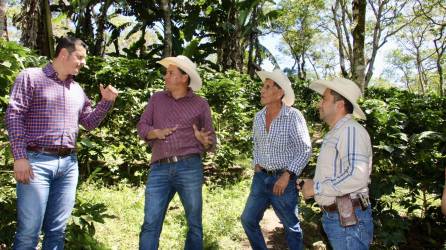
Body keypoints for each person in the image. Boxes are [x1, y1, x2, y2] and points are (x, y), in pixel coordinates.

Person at [5, 37, 118, 249]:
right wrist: (20, 157)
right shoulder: (31, 77)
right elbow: (14, 116)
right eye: (80, 57)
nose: (83, 63)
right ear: (64, 54)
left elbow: (89, 122)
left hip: (68, 165)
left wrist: (106, 102)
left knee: (57, 230)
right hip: (36, 163)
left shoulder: (76, 89)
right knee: (29, 230)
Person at [137, 55, 216, 250]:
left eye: (170, 73)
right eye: (166, 72)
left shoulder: (200, 104)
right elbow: (142, 126)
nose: (165, 76)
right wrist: (154, 132)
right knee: (150, 223)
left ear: (184, 78)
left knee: (194, 225)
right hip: (159, 169)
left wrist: (204, 141)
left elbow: (211, 141)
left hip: (190, 167)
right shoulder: (156, 99)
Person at [240, 69, 312, 250]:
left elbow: (304, 149)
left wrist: (287, 175)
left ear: (280, 93)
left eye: (267, 86)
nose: (262, 90)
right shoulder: (258, 117)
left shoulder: (293, 116)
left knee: (291, 227)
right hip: (260, 177)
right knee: (248, 219)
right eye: (262, 86)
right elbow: (256, 144)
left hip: (284, 181)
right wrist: (256, 165)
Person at [298, 78, 373, 249]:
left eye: (324, 99)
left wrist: (316, 188)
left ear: (339, 105)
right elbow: (338, 172)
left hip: (348, 221)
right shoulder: (338, 132)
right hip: (341, 218)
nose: (319, 103)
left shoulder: (350, 130)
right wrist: (309, 183)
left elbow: (356, 175)